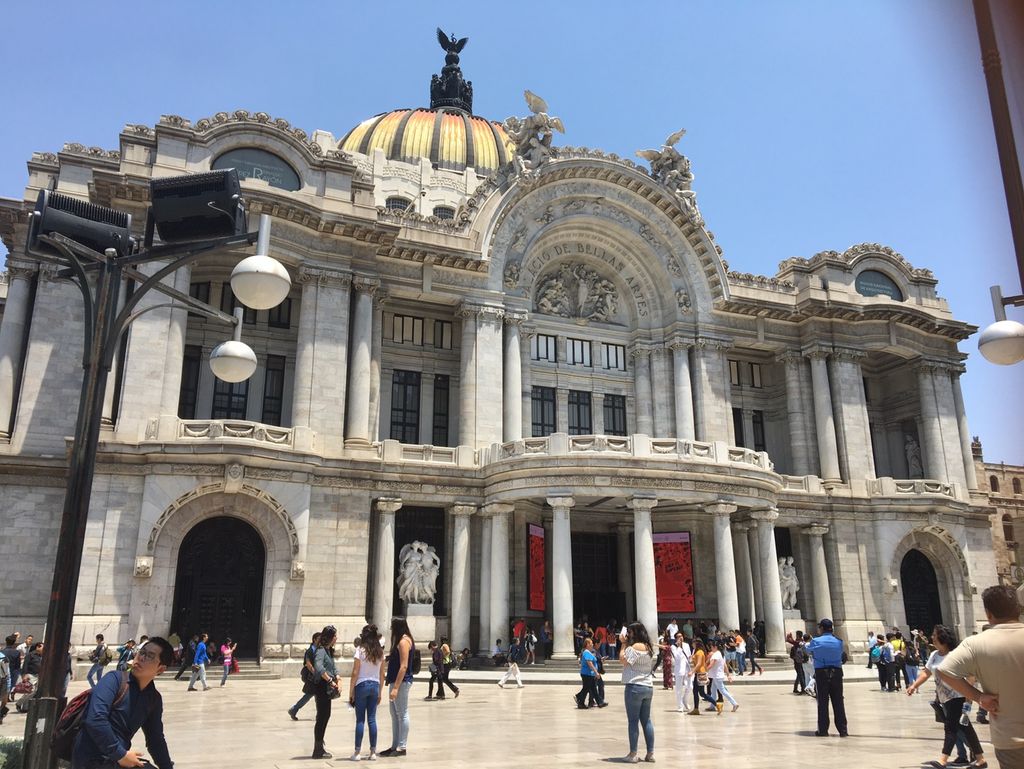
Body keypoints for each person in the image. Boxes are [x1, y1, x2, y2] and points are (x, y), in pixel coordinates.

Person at [939, 585, 1021, 768]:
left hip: (1010, 739)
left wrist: (978, 697)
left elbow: (944, 670)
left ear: (988, 613)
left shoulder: (975, 643)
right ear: (1018, 608)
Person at [71, 637, 175, 769]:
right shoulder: (114, 680)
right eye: (141, 652)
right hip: (91, 760)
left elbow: (155, 739)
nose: (141, 658)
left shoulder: (153, 699)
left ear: (160, 669)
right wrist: (120, 754)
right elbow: (95, 719)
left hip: (119, 759)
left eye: (150, 656)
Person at [906, 624, 987, 768]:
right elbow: (926, 672)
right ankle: (980, 759)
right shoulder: (934, 655)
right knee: (965, 728)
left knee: (950, 728)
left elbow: (970, 676)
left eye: (935, 635)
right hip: (944, 698)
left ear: (943, 637)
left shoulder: (956, 654)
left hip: (958, 695)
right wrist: (914, 685)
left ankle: (943, 760)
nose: (932, 637)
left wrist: (969, 697)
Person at [619, 622, 655, 763]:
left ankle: (633, 753)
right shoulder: (648, 647)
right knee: (646, 720)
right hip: (648, 686)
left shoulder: (634, 647)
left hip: (634, 686)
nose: (628, 634)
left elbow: (623, 660)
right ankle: (650, 753)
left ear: (635, 632)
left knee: (633, 721)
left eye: (630, 632)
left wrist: (623, 644)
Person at [349, 623, 385, 761]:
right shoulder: (380, 652)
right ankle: (373, 752)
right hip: (375, 685)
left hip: (362, 685)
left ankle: (357, 752)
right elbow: (382, 674)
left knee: (360, 720)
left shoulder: (360, 650)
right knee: (372, 719)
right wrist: (380, 692)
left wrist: (351, 691)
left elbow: (355, 672)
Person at [806, 618, 848, 737]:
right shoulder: (838, 641)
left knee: (823, 702)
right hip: (837, 673)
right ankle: (843, 730)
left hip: (822, 673)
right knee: (838, 701)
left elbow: (807, 650)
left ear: (821, 628)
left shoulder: (816, 641)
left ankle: (823, 730)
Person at [379, 617, 414, 758]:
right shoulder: (401, 641)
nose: (391, 630)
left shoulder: (403, 641)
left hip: (401, 682)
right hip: (395, 681)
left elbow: (404, 666)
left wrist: (396, 688)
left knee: (402, 713)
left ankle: (402, 746)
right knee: (395, 715)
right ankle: (395, 745)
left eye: (392, 627)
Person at [311, 625, 339, 759]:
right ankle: (317, 749)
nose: (337, 638)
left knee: (325, 716)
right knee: (322, 717)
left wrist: (337, 676)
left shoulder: (328, 650)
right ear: (330, 637)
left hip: (327, 688)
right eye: (335, 636)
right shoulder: (321, 650)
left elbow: (332, 666)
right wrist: (329, 680)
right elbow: (318, 666)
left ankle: (320, 745)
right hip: (322, 687)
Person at [288, 631, 321, 720]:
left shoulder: (319, 650)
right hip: (312, 678)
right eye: (319, 639)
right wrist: (315, 673)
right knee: (309, 695)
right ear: (314, 640)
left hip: (317, 677)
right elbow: (308, 664)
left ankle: (319, 714)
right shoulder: (310, 651)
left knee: (316, 696)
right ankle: (294, 709)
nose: (320, 641)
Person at [706, 639, 739, 713]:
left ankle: (734, 703)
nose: (711, 648)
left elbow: (711, 665)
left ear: (715, 647)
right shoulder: (720, 654)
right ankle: (712, 706)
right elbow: (725, 666)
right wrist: (728, 675)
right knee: (713, 690)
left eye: (711, 647)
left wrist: (704, 671)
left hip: (717, 676)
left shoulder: (715, 655)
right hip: (717, 676)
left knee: (722, 690)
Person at [574, 638, 601, 708]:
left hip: (589, 674)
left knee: (592, 689)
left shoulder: (588, 652)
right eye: (591, 643)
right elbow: (590, 663)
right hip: (587, 674)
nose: (592, 644)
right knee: (586, 689)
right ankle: (581, 702)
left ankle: (600, 702)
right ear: (587, 644)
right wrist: (596, 672)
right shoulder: (586, 652)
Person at [670, 632, 693, 713]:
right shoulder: (673, 647)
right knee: (679, 688)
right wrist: (679, 647)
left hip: (687, 668)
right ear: (676, 638)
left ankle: (685, 700)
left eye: (681, 636)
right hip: (679, 669)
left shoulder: (686, 645)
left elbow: (689, 656)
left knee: (690, 686)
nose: (680, 638)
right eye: (678, 637)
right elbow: (677, 657)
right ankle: (680, 706)